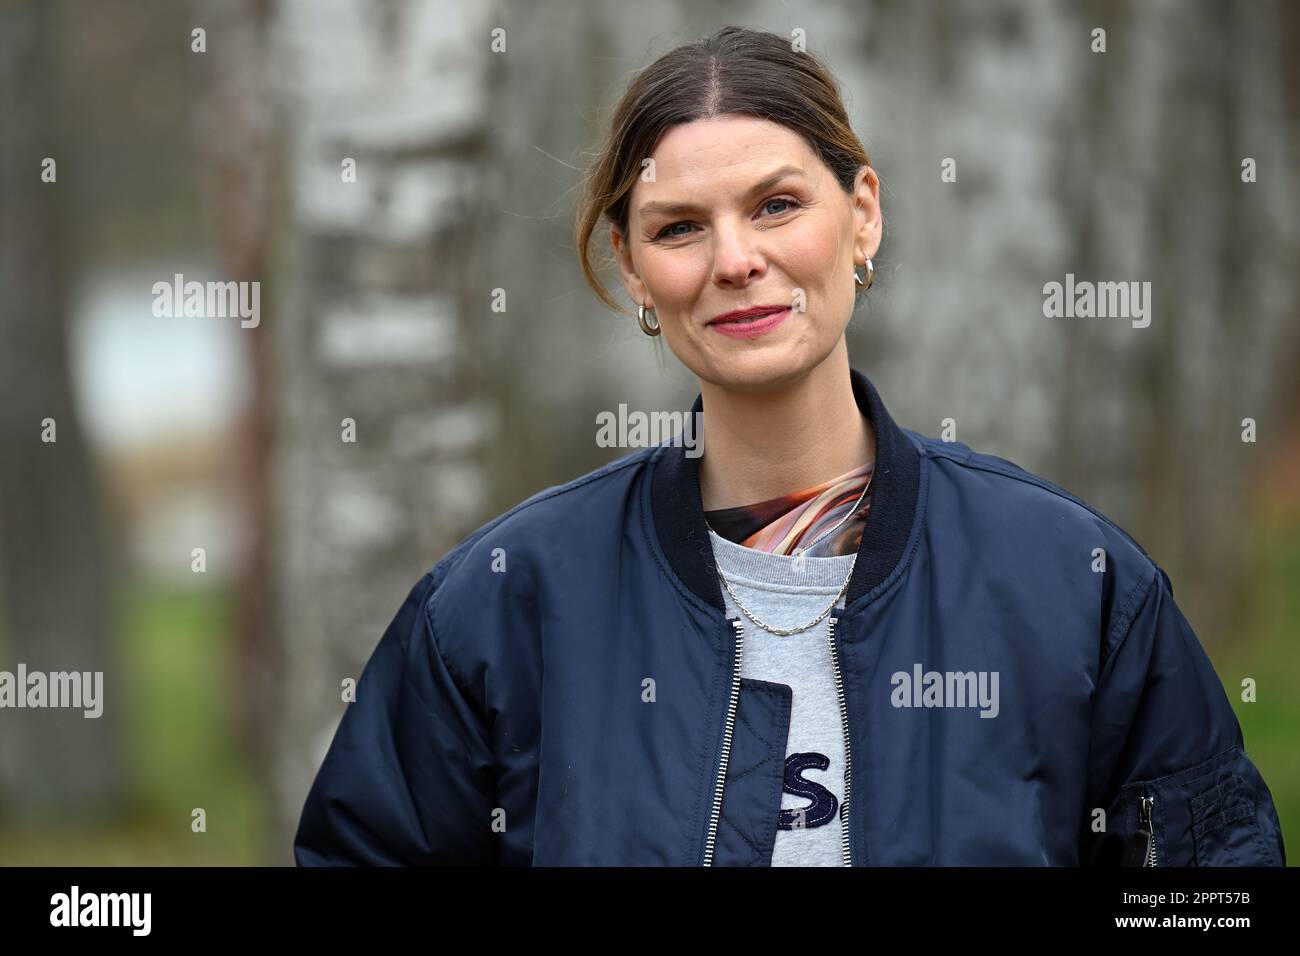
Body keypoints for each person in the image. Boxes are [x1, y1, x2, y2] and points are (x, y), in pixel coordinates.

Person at [293, 26, 1285, 867]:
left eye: (776, 204)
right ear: (634, 271)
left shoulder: (1073, 585)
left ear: (861, 216)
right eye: (679, 227)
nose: (736, 260)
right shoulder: (504, 604)